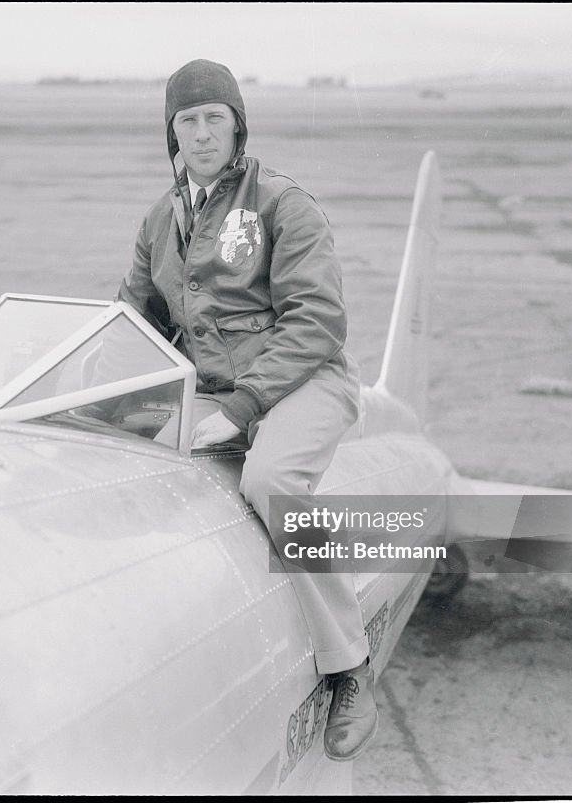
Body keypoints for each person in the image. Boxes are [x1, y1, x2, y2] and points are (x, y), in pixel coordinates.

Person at [116, 58, 376, 761]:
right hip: (219, 390)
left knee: (271, 484)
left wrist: (243, 405)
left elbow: (317, 323)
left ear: (237, 127)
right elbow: (130, 325)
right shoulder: (159, 220)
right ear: (171, 133)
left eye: (214, 119)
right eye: (187, 121)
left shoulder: (283, 204)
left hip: (304, 381)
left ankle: (350, 666)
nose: (202, 135)